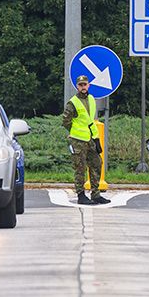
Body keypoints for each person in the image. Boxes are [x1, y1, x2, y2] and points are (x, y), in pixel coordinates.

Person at [62, 74, 108, 205]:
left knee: (97, 163)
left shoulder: (91, 99)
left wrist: (96, 139)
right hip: (78, 140)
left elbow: (90, 121)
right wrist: (74, 132)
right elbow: (65, 121)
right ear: (77, 86)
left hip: (90, 139)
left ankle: (95, 194)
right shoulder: (73, 102)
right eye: (80, 85)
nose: (83, 87)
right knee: (80, 168)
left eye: (85, 84)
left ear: (88, 85)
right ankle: (81, 195)